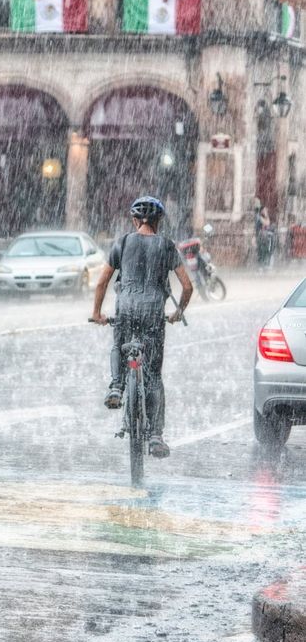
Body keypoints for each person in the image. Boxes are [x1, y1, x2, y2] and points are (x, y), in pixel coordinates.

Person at [91, 195, 193, 458]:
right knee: (153, 377)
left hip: (126, 308)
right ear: (159, 221)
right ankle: (156, 436)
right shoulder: (167, 246)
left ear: (134, 220)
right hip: (153, 312)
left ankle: (116, 386)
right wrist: (177, 312)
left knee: (118, 344)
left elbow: (102, 282)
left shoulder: (123, 242)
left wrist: (97, 313)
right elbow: (187, 286)